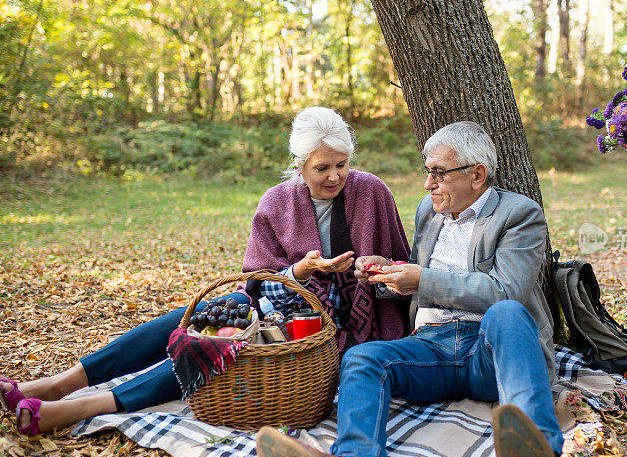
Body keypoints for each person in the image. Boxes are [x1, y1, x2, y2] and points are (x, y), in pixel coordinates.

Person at [1, 106, 411, 437]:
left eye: (341, 164)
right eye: (322, 167)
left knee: (223, 346)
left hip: (340, 329)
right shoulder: (275, 203)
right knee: (217, 311)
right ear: (301, 165)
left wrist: (374, 271)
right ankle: (60, 383)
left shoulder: (371, 191)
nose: (335, 176)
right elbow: (255, 283)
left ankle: (78, 407)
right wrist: (299, 273)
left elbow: (400, 279)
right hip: (281, 303)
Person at [255, 120, 564, 457]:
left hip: (490, 350)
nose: (427, 184)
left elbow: (506, 290)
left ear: (477, 174)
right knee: (362, 358)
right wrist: (386, 272)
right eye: (427, 171)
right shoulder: (429, 210)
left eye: (438, 173)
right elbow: (420, 274)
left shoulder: (518, 214)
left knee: (507, 312)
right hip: (431, 350)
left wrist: (422, 280)